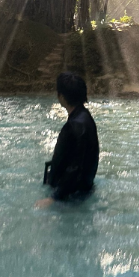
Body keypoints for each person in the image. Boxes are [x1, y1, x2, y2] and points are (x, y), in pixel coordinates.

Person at [35, 72, 99, 208]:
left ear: (62, 97)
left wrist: (53, 198)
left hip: (69, 196)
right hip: (82, 189)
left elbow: (75, 167)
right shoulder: (86, 118)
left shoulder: (74, 126)